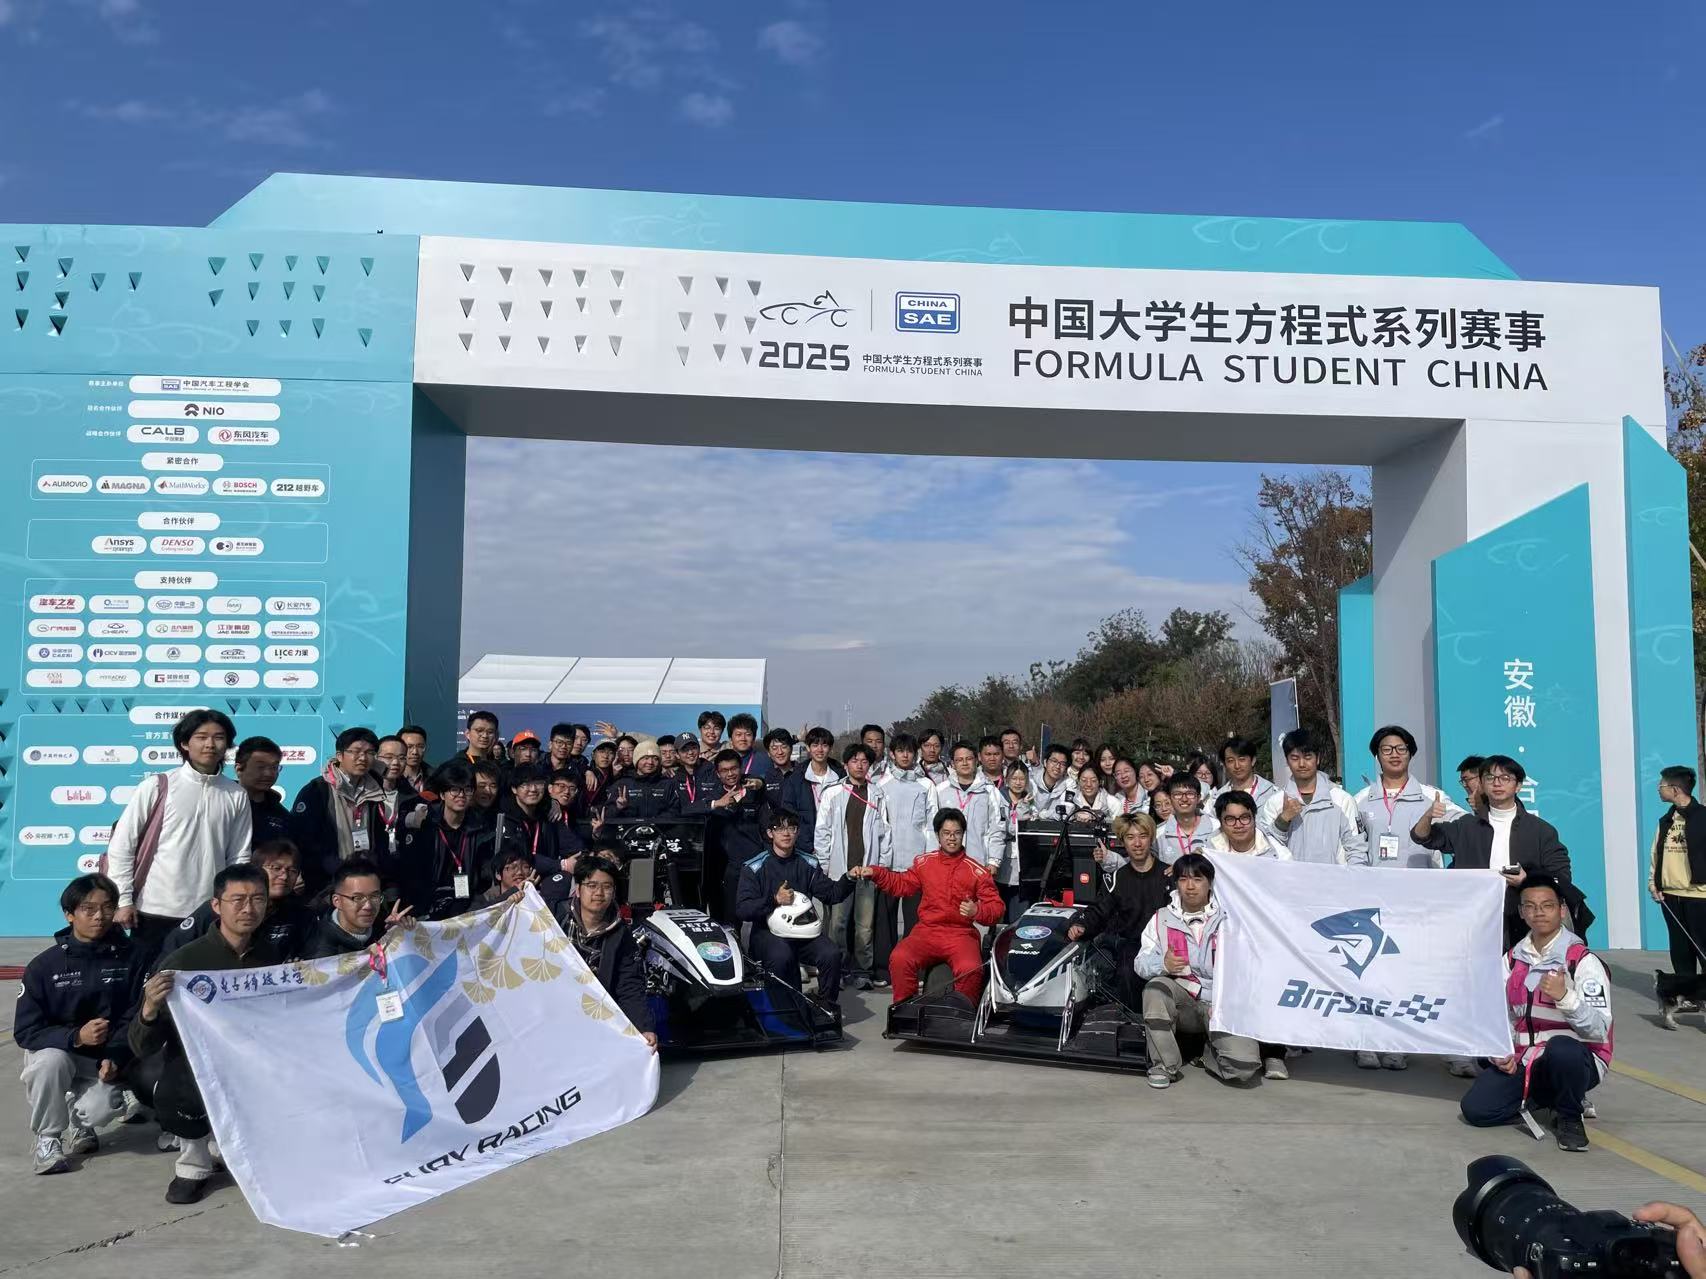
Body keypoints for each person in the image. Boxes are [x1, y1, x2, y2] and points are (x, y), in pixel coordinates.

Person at [129, 864, 280, 1203]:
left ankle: (231, 1150)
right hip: (196, 1064)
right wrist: (149, 1008)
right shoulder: (184, 961)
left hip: (253, 1059)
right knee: (186, 1080)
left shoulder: (271, 959)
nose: (248, 908)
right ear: (216, 905)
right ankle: (194, 1163)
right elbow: (142, 1045)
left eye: (258, 899)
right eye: (237, 900)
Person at [1460, 876, 1611, 1153]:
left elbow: (1599, 1030)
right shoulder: (1512, 959)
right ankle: (1548, 1098)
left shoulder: (1584, 961)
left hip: (1576, 1062)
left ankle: (1569, 1115)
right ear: (1521, 912)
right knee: (1476, 1110)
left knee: (1562, 1049)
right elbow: (1498, 1015)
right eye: (1530, 906)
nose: (1538, 912)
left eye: (1547, 906)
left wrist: (1565, 997)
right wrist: (1500, 1050)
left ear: (1561, 910)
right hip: (1527, 1059)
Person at [105, 709, 252, 971]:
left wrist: (232, 903)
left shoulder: (236, 794)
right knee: (150, 983)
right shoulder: (157, 786)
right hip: (154, 909)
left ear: (228, 745)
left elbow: (239, 857)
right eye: (201, 737)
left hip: (209, 912)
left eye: (219, 737)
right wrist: (124, 901)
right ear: (185, 743)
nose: (210, 744)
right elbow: (122, 845)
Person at [16, 873, 137, 1175]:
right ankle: (48, 1139)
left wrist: (116, 1056)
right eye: (88, 909)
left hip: (100, 1061)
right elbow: (26, 1031)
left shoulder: (131, 959)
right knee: (50, 1063)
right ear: (69, 915)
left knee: (106, 1106)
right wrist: (75, 1037)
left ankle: (80, 1122)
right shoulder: (44, 967)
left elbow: (134, 1015)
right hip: (57, 1052)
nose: (99, 916)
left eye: (107, 907)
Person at [1414, 754, 1574, 948]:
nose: (1497, 783)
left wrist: (1526, 881)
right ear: (1482, 784)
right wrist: (1428, 815)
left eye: (1505, 778)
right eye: (1490, 778)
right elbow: (1422, 837)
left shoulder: (1541, 830)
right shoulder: (1466, 826)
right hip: (1475, 919)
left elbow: (1561, 876)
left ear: (1518, 786)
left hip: (1523, 920)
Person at [850, 810, 1004, 1002]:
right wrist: (876, 873)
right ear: (938, 835)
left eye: (957, 833)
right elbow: (901, 884)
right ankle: (905, 1011)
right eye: (946, 833)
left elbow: (997, 908)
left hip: (961, 934)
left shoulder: (977, 871)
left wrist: (977, 910)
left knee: (970, 969)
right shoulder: (924, 863)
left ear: (963, 834)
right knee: (900, 958)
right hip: (927, 931)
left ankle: (963, 1014)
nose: (952, 838)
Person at [1136, 853, 1260, 1089]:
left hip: (1223, 1004)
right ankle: (1164, 1065)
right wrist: (1162, 964)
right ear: (1176, 883)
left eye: (1198, 879)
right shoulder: (1161, 918)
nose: (1190, 886)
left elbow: (1249, 967)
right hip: (1184, 1000)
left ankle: (1206, 1053)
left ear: (1210, 883)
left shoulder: (1230, 918)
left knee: (1243, 1068)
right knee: (1155, 989)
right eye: (1183, 879)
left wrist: (1225, 1001)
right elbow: (1140, 963)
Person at [736, 811, 857, 1004]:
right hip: (768, 933)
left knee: (831, 954)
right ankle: (782, 1011)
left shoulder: (808, 863)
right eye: (780, 828)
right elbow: (743, 909)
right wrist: (774, 899)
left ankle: (825, 1008)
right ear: (770, 833)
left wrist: (849, 878)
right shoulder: (754, 867)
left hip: (803, 932)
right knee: (782, 956)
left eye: (791, 828)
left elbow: (831, 894)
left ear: (797, 832)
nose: (786, 833)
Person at [1066, 814, 1169, 1008]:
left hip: (1166, 945)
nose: (1137, 843)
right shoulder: (1116, 879)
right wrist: (1081, 925)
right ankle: (1131, 1021)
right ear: (1123, 842)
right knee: (1127, 971)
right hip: (1131, 946)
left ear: (1151, 839)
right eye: (1130, 837)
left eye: (1143, 836)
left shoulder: (1169, 875)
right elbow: (1098, 911)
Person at [556, 856, 656, 1050]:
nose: (599, 893)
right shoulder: (555, 915)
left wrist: (643, 1028)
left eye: (607, 887)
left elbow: (629, 985)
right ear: (578, 889)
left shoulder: (621, 934)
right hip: (552, 1009)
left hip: (594, 1017)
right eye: (592, 885)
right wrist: (512, 898)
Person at [814, 744, 894, 987]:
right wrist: (825, 865)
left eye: (864, 761)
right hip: (841, 872)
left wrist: (881, 866)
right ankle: (836, 971)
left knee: (864, 927)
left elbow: (885, 833)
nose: (860, 765)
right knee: (838, 924)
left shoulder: (877, 794)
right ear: (846, 764)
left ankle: (862, 971)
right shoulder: (833, 793)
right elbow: (822, 831)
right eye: (854, 760)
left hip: (867, 872)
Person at [159, 838, 313, 961]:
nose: (284, 876)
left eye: (292, 871)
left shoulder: (300, 915)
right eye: (276, 868)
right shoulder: (220, 907)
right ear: (256, 869)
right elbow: (173, 949)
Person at [289, 727, 391, 896]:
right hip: (326, 884)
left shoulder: (375, 791)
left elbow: (380, 839)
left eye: (370, 753)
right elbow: (304, 840)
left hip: (366, 881)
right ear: (339, 756)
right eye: (355, 752)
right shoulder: (317, 790)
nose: (362, 758)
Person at [1351, 724, 1464, 869]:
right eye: (1387, 749)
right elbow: (1353, 847)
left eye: (1401, 749)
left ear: (1410, 754)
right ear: (1377, 756)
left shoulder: (1432, 797)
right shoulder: (1360, 800)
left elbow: (1466, 827)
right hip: (1376, 882)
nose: (1394, 754)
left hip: (1422, 881)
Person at [395, 761, 496, 919]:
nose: (461, 795)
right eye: (454, 790)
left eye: (467, 790)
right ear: (442, 795)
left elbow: (484, 872)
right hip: (425, 907)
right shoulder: (425, 825)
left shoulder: (481, 829)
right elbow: (412, 873)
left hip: (466, 907)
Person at [1649, 765, 1706, 1030]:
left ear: (1675, 789)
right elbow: (1656, 854)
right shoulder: (1666, 819)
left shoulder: (1702, 817)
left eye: (1661, 785)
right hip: (1671, 896)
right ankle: (1687, 997)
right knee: (1680, 950)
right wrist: (1654, 883)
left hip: (1700, 895)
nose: (1658, 789)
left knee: (1703, 950)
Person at [1259, 728, 1366, 867]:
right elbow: (1268, 850)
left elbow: (1356, 848)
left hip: (1334, 879)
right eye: (1295, 758)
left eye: (1308, 757)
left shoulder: (1341, 799)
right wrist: (1283, 820)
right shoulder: (1275, 802)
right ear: (1287, 761)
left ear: (1318, 758)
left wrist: (1354, 876)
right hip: (1293, 879)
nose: (1302, 764)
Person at [693, 748, 770, 921]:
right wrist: (716, 803)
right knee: (728, 919)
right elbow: (687, 809)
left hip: (753, 863)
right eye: (724, 770)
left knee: (758, 916)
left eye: (734, 768)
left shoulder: (754, 790)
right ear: (717, 773)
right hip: (724, 868)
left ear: (740, 768)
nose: (730, 774)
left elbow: (766, 827)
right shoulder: (713, 794)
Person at [876, 733, 935, 941]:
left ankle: (914, 959)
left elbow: (931, 825)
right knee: (885, 921)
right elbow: (880, 825)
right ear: (892, 754)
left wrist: (929, 861)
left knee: (915, 921)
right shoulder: (882, 784)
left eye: (909, 751)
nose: (905, 755)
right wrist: (881, 861)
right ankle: (886, 960)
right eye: (900, 751)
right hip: (889, 864)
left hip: (915, 866)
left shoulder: (926, 785)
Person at [301, 857, 411, 958]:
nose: (368, 906)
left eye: (374, 896)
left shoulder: (381, 924)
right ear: (337, 901)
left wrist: (393, 933)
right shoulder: (323, 953)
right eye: (358, 898)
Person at [927, 741, 1006, 875]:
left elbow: (997, 828)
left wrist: (994, 861)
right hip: (946, 863)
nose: (964, 763)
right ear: (952, 763)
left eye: (969, 758)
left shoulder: (989, 791)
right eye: (959, 760)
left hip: (978, 862)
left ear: (976, 760)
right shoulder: (940, 790)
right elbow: (932, 828)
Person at [779, 726, 843, 856]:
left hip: (837, 845)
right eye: (815, 745)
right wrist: (805, 844)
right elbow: (789, 813)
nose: (820, 750)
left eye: (824, 745)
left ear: (830, 748)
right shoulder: (795, 778)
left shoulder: (841, 777)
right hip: (805, 848)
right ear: (808, 748)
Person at [598, 741, 680, 822]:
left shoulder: (668, 784)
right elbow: (606, 816)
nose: (650, 762)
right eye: (646, 758)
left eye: (655, 758)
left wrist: (654, 822)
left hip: (660, 829)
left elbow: (675, 811)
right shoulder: (621, 784)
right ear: (637, 760)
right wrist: (618, 807)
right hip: (628, 830)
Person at [234, 736, 291, 846]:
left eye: (274, 767)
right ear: (239, 769)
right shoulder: (221, 804)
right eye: (260, 767)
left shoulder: (282, 815)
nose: (268, 773)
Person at [1155, 772, 1219, 863]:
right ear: (1170, 798)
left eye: (1190, 794)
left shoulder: (1216, 827)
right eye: (1177, 794)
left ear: (1198, 798)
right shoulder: (1159, 834)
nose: (1184, 799)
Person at [1205, 791, 1290, 859]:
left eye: (1244, 818)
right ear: (1221, 822)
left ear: (1254, 818)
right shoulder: (1209, 852)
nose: (1238, 825)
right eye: (1230, 819)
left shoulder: (1280, 854)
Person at [1214, 737, 1278, 814]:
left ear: (1253, 760)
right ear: (1225, 764)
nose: (1237, 766)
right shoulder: (1216, 798)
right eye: (1230, 761)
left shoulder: (1272, 793)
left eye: (1242, 759)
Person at [1030, 743, 1075, 816]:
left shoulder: (1069, 784)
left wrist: (1042, 815)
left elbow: (1067, 811)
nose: (1057, 766)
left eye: (1062, 764)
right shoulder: (1031, 780)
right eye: (1054, 761)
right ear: (1045, 762)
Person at [398, 724, 433, 793]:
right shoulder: (389, 776)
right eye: (409, 747)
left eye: (420, 746)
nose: (415, 752)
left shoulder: (435, 777)